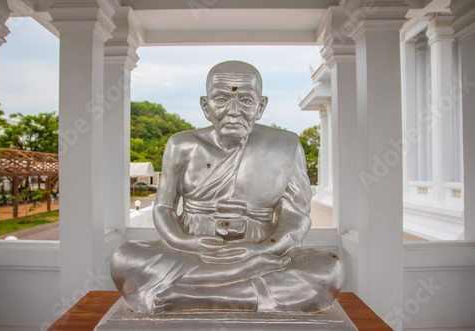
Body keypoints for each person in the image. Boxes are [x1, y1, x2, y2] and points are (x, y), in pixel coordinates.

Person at [111, 61, 343, 313]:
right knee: (125, 259)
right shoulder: (182, 145)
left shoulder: (285, 146)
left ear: (261, 106)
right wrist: (185, 243)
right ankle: (242, 294)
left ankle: (196, 296)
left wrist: (264, 247)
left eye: (245, 100)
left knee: (328, 269)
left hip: (259, 253)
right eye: (221, 100)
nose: (233, 111)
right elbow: (164, 208)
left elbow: (296, 217)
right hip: (193, 252)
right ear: (205, 106)